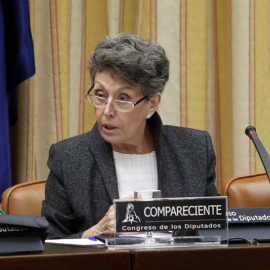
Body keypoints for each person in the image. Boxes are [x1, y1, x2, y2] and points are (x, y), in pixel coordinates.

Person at [42, 33, 218, 239]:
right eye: (100, 95)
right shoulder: (69, 158)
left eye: (122, 98)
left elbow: (214, 234)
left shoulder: (194, 149)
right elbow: (48, 246)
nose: (107, 110)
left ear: (152, 103)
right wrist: (96, 233)